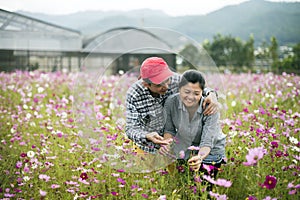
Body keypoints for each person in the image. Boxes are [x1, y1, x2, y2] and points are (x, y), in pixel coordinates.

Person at [125, 57, 219, 154]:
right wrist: (146, 136)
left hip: (174, 145)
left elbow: (198, 87)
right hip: (147, 146)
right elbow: (131, 128)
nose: (166, 86)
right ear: (146, 84)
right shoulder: (134, 95)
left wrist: (211, 94)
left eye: (167, 80)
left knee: (176, 169)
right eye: (159, 85)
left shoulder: (177, 80)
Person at [162, 69, 226, 190]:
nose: (190, 97)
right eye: (186, 92)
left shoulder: (210, 107)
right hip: (185, 148)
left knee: (204, 191)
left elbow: (207, 141)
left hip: (210, 151)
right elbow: (169, 130)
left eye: (196, 93)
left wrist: (200, 158)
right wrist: (166, 145)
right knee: (185, 188)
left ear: (203, 92)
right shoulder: (171, 103)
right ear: (179, 89)